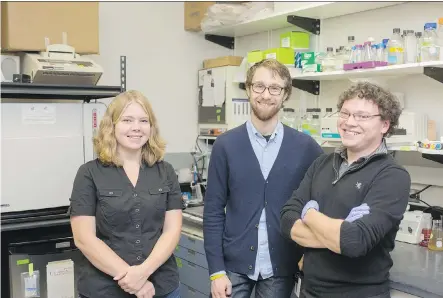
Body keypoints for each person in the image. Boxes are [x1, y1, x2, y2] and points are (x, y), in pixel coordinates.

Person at [203, 59, 323, 298]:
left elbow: (321, 203)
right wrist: (216, 271)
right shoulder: (225, 146)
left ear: (285, 95)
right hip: (232, 267)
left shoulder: (306, 147)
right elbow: (213, 211)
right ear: (248, 89)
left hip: (280, 269)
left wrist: (306, 255)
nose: (266, 95)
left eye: (275, 88)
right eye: (259, 86)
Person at [280, 82, 411, 298]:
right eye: (345, 113)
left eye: (362, 116)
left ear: (385, 124)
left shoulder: (392, 175)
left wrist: (309, 214)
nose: (349, 122)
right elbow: (286, 220)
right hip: (309, 291)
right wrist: (338, 233)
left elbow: (354, 242)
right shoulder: (322, 164)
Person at [69, 90, 183, 298]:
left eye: (143, 120)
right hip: (105, 290)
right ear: (111, 126)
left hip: (161, 287)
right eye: (127, 120)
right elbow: (84, 238)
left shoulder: (165, 171)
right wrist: (135, 281)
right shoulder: (89, 173)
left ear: (151, 127)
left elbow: (172, 231)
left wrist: (144, 272)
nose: (136, 128)